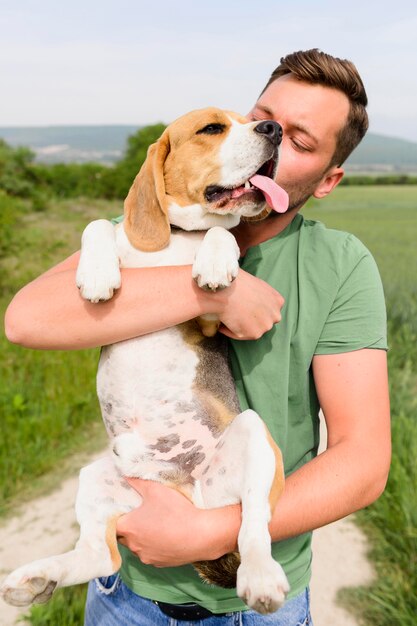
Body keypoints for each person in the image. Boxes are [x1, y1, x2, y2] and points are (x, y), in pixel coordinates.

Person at [4, 49, 391, 625]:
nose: (268, 139)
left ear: (329, 179)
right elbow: (25, 319)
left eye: (299, 143)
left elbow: (363, 459)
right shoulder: (142, 233)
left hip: (259, 604)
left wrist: (209, 532)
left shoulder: (339, 264)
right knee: (93, 482)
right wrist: (212, 294)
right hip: (124, 596)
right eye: (261, 120)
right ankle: (84, 553)